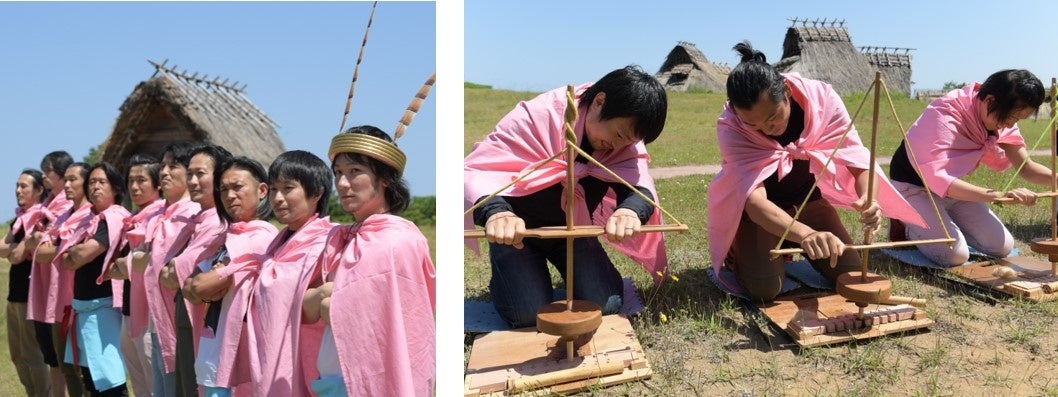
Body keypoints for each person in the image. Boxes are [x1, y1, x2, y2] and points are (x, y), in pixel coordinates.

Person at [706, 42, 925, 302]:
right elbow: (754, 202)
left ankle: (792, 243)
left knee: (851, 273)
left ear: (786, 91)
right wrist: (806, 235)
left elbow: (857, 159)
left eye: (774, 116)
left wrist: (870, 199)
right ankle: (743, 251)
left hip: (808, 201)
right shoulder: (733, 127)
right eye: (754, 124)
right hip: (760, 216)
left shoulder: (822, 100)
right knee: (765, 290)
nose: (767, 129)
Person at [464, 65, 669, 328]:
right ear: (599, 101)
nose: (617, 147)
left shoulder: (626, 136)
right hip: (517, 234)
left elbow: (639, 184)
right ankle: (509, 273)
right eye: (617, 135)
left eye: (626, 142)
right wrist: (497, 212)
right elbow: (479, 169)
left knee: (606, 304)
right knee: (527, 314)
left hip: (574, 231)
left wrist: (630, 210)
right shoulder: (539, 115)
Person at [303, 126, 435, 396]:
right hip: (329, 380)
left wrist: (326, 300)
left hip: (374, 384)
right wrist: (325, 298)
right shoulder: (339, 239)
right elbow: (304, 309)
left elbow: (370, 323)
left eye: (354, 171)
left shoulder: (397, 241)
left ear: (385, 178)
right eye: (338, 172)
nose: (341, 183)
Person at [888, 69, 1050, 266]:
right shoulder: (944, 115)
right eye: (1010, 118)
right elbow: (939, 179)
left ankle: (942, 225)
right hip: (914, 188)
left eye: (1016, 120)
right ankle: (903, 221)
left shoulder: (999, 114)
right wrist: (998, 195)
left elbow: (1026, 168)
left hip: (951, 190)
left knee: (1002, 246)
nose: (1009, 125)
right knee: (954, 256)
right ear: (990, 100)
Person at [184, 156, 277, 397]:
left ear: (262, 190)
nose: (229, 195)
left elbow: (201, 285)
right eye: (224, 189)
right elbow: (189, 288)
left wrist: (205, 286)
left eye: (237, 187)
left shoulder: (260, 237)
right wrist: (205, 286)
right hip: (215, 349)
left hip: (236, 356)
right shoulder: (227, 237)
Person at [246, 150, 335, 396]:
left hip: (309, 364)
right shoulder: (277, 243)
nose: (278, 198)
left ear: (316, 192)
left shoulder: (330, 241)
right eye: (274, 189)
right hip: (269, 357)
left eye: (288, 188)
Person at [159, 144, 231, 396]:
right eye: (189, 173)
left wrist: (169, 270)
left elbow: (170, 275)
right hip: (184, 316)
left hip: (199, 320)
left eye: (200, 173)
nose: (192, 181)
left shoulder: (216, 223)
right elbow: (167, 273)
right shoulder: (196, 221)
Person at [59, 162, 131, 396]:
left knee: (110, 381)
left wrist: (73, 254)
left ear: (116, 189)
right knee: (92, 380)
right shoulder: (91, 219)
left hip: (103, 309)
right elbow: (66, 259)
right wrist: (73, 255)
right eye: (92, 182)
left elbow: (78, 255)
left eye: (102, 182)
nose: (95, 187)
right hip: (86, 310)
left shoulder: (113, 217)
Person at [138, 142, 200, 397]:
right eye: (162, 166)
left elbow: (162, 266)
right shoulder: (158, 215)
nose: (163, 172)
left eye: (172, 166)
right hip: (157, 321)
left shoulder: (193, 214)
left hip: (179, 321)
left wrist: (144, 259)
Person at [27, 160, 92, 397]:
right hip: (58, 303)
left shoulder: (89, 215)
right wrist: (57, 246)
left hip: (79, 298)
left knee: (85, 368)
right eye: (66, 178)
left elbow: (58, 251)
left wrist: (51, 244)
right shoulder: (64, 214)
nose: (67, 184)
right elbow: (41, 249)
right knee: (66, 366)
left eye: (73, 179)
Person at [110, 153, 165, 397]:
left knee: (154, 384)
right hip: (128, 311)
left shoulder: (160, 217)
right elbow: (115, 267)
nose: (134, 186)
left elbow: (125, 266)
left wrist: (124, 265)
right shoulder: (132, 220)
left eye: (141, 180)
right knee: (139, 383)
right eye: (131, 180)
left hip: (149, 314)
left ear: (158, 184)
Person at [1, 169, 50, 397]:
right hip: (14, 295)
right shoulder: (19, 219)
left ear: (39, 190)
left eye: (24, 186)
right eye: (17, 185)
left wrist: (14, 251)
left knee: (33, 355)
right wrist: (16, 249)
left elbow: (16, 256)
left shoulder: (40, 218)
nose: (18, 190)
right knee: (18, 356)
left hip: (30, 296)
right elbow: (6, 250)